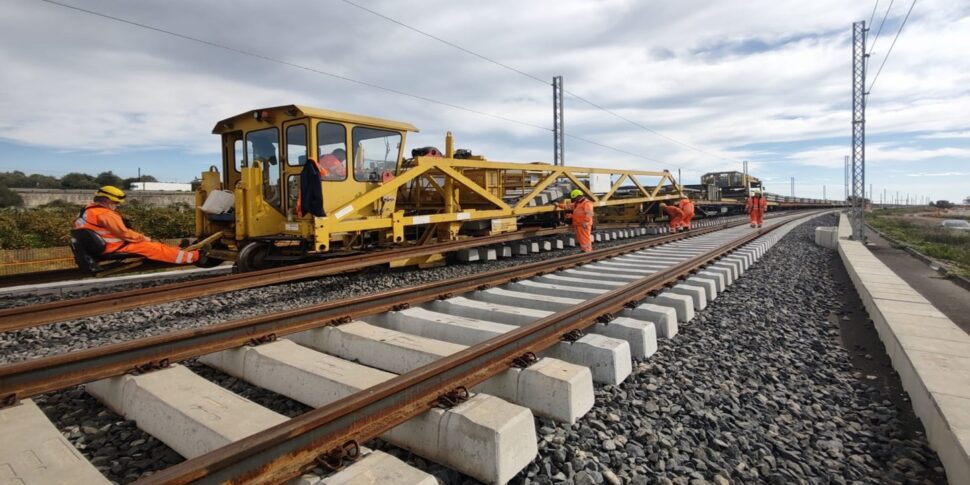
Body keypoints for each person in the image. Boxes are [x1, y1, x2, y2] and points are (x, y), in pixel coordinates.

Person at [74, 186, 204, 265]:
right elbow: (124, 233)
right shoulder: (105, 214)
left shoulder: (86, 211)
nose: (117, 205)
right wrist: (143, 238)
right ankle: (196, 256)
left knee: (156, 246)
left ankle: (178, 250)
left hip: (101, 247)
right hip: (114, 247)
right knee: (154, 248)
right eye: (115, 202)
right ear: (106, 200)